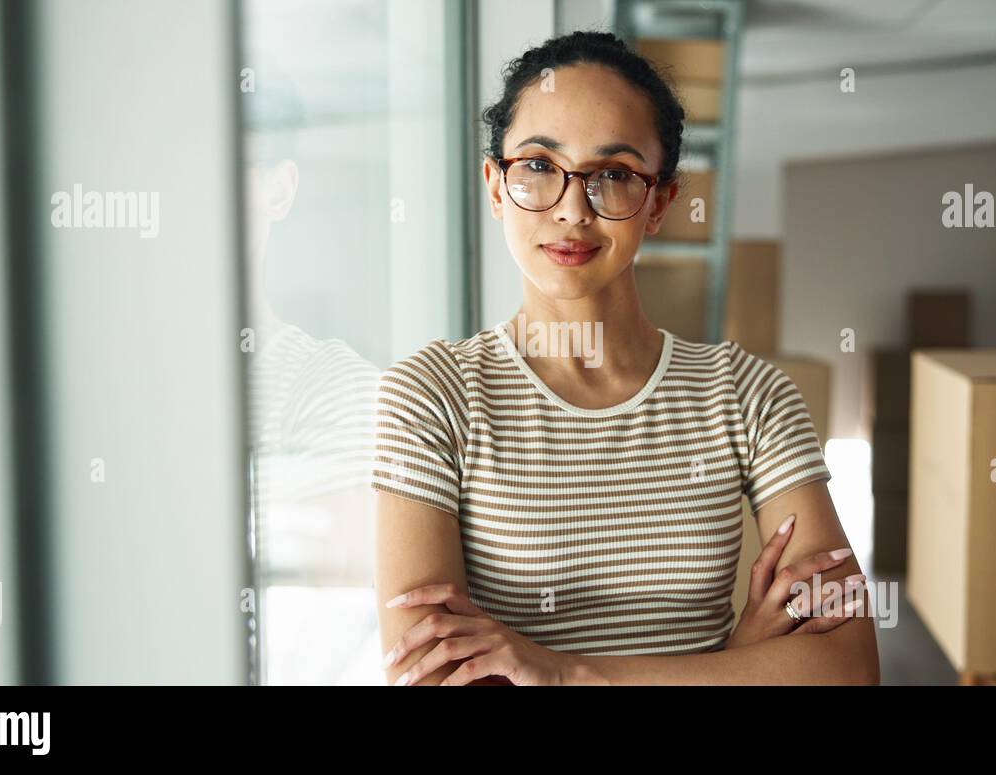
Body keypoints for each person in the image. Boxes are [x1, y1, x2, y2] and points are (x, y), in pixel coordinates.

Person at [371, 31, 878, 685]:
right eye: (537, 166)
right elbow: (432, 677)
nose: (572, 209)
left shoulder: (750, 395)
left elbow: (847, 669)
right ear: (495, 186)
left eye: (613, 174)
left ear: (660, 202)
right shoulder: (431, 396)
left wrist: (564, 672)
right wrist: (730, 667)